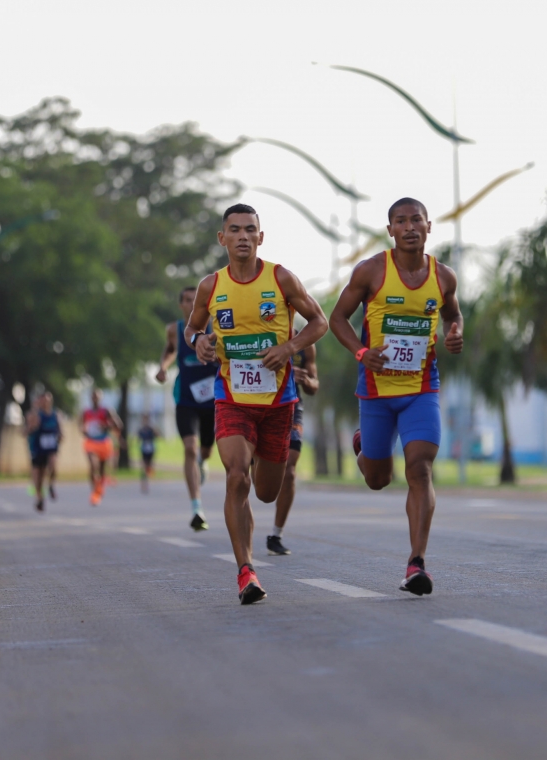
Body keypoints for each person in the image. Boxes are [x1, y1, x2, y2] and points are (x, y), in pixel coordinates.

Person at [187, 203, 328, 605]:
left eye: (250, 229)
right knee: (236, 477)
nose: (243, 236)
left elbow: (319, 321)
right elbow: (192, 328)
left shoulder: (280, 278)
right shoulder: (211, 286)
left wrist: (289, 347)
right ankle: (245, 571)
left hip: (278, 404)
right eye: (235, 230)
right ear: (222, 238)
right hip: (232, 398)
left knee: (265, 491)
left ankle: (256, 484)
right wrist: (198, 342)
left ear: (260, 237)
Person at [329, 197, 463, 596]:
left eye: (416, 220)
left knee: (420, 469)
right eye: (400, 221)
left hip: (421, 389)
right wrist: (361, 352)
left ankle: (416, 563)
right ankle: (365, 446)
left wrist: (455, 332)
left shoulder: (443, 277)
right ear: (390, 230)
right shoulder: (371, 271)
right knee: (378, 479)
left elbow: (453, 314)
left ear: (428, 226)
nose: (409, 227)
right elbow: (337, 318)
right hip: (376, 392)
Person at [155, 285, 217, 531]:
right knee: (190, 448)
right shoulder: (175, 330)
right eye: (187, 300)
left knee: (205, 451)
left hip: (214, 401)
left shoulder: (216, 327)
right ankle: (196, 509)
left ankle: (203, 462)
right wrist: (163, 367)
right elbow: (171, 349)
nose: (192, 304)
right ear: (181, 305)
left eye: (196, 299)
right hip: (186, 399)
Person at [266, 343, 318, 556]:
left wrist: (305, 380)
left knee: (289, 471)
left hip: (292, 405)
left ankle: (276, 535)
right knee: (257, 476)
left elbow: (314, 385)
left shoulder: (305, 344)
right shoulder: (260, 331)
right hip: (260, 403)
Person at [80, 389, 123, 506]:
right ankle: (94, 492)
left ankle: (99, 490)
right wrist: (84, 430)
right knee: (93, 466)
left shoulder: (106, 411)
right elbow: (81, 426)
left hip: (104, 443)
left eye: (97, 397)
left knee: (102, 471)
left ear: (100, 398)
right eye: (93, 396)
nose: (95, 399)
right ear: (90, 398)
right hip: (91, 442)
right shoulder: (86, 412)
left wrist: (106, 425)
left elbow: (118, 424)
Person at [26, 391, 62, 513]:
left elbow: (60, 430)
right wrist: (32, 426)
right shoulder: (35, 414)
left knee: (53, 465)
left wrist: (61, 435)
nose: (45, 403)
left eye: (47, 401)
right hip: (37, 448)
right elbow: (27, 430)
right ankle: (40, 498)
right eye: (43, 401)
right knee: (38, 476)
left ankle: (51, 485)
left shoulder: (55, 415)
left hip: (51, 447)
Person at [137, 415, 158, 494]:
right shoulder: (141, 430)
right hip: (144, 449)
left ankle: (149, 476)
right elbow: (138, 438)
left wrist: (154, 429)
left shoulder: (151, 429)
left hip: (151, 448)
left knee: (149, 466)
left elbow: (158, 435)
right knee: (144, 466)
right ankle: (145, 483)